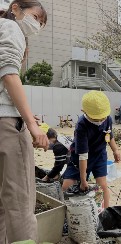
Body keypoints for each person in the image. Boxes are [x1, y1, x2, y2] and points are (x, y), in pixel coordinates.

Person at [0, 1, 48, 242]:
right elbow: (9, 74)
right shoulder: (11, 28)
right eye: (36, 16)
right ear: (16, 8)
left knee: (1, 201)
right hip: (7, 125)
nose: (37, 25)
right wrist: (30, 122)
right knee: (20, 202)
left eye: (41, 23)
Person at [62, 91, 121, 208]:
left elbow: (109, 135)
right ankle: (65, 212)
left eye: (102, 118)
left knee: (103, 185)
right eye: (96, 119)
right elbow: (83, 156)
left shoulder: (107, 119)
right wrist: (84, 180)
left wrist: (115, 150)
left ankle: (106, 212)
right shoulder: (81, 125)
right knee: (66, 186)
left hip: (99, 155)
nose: (100, 121)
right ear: (84, 112)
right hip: (80, 157)